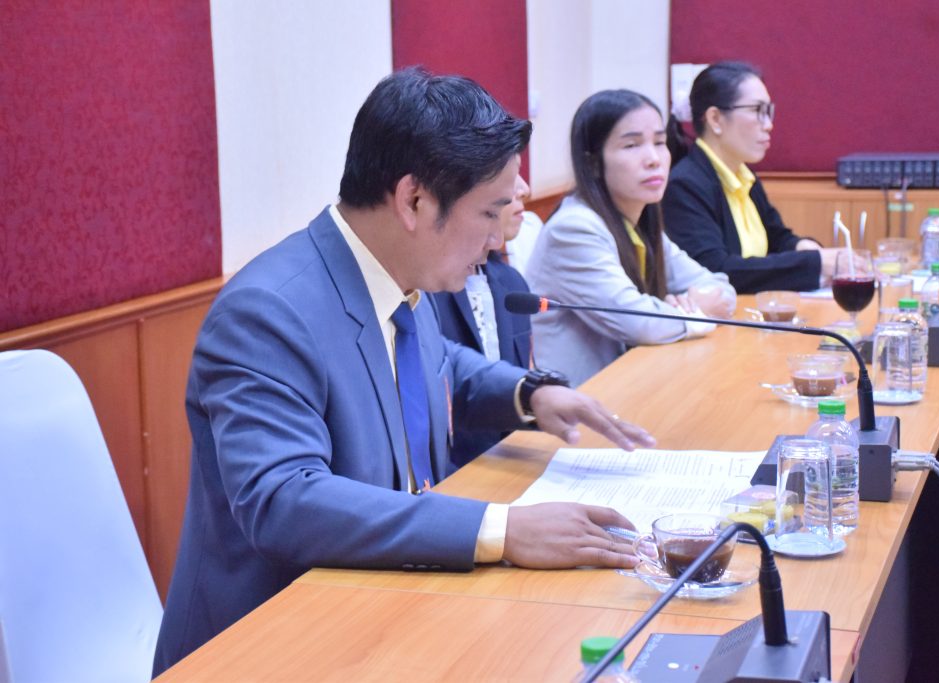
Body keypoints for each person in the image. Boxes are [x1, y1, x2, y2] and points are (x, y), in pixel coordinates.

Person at [153, 69, 656, 675]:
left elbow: (439, 368)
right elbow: (283, 499)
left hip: (389, 606)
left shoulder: (398, 275)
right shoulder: (268, 312)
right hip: (271, 644)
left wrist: (529, 395)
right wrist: (501, 529)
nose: (499, 240)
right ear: (414, 200)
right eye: (490, 212)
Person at [525, 89, 736, 387]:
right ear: (593, 163)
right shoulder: (574, 228)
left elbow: (721, 289)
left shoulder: (639, 222)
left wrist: (687, 308)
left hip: (633, 384)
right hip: (579, 399)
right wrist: (695, 312)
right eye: (632, 145)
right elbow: (637, 322)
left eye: (660, 142)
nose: (653, 159)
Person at [662, 61, 845, 293]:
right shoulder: (684, 186)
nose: (769, 125)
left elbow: (777, 238)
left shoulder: (744, 175)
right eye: (757, 111)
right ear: (715, 119)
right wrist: (814, 263)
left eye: (768, 111)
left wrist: (803, 247)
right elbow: (716, 270)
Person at [431, 171, 533, 468]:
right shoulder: (425, 291)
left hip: (510, 461)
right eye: (511, 175)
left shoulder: (511, 282)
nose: (524, 189)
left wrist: (537, 396)